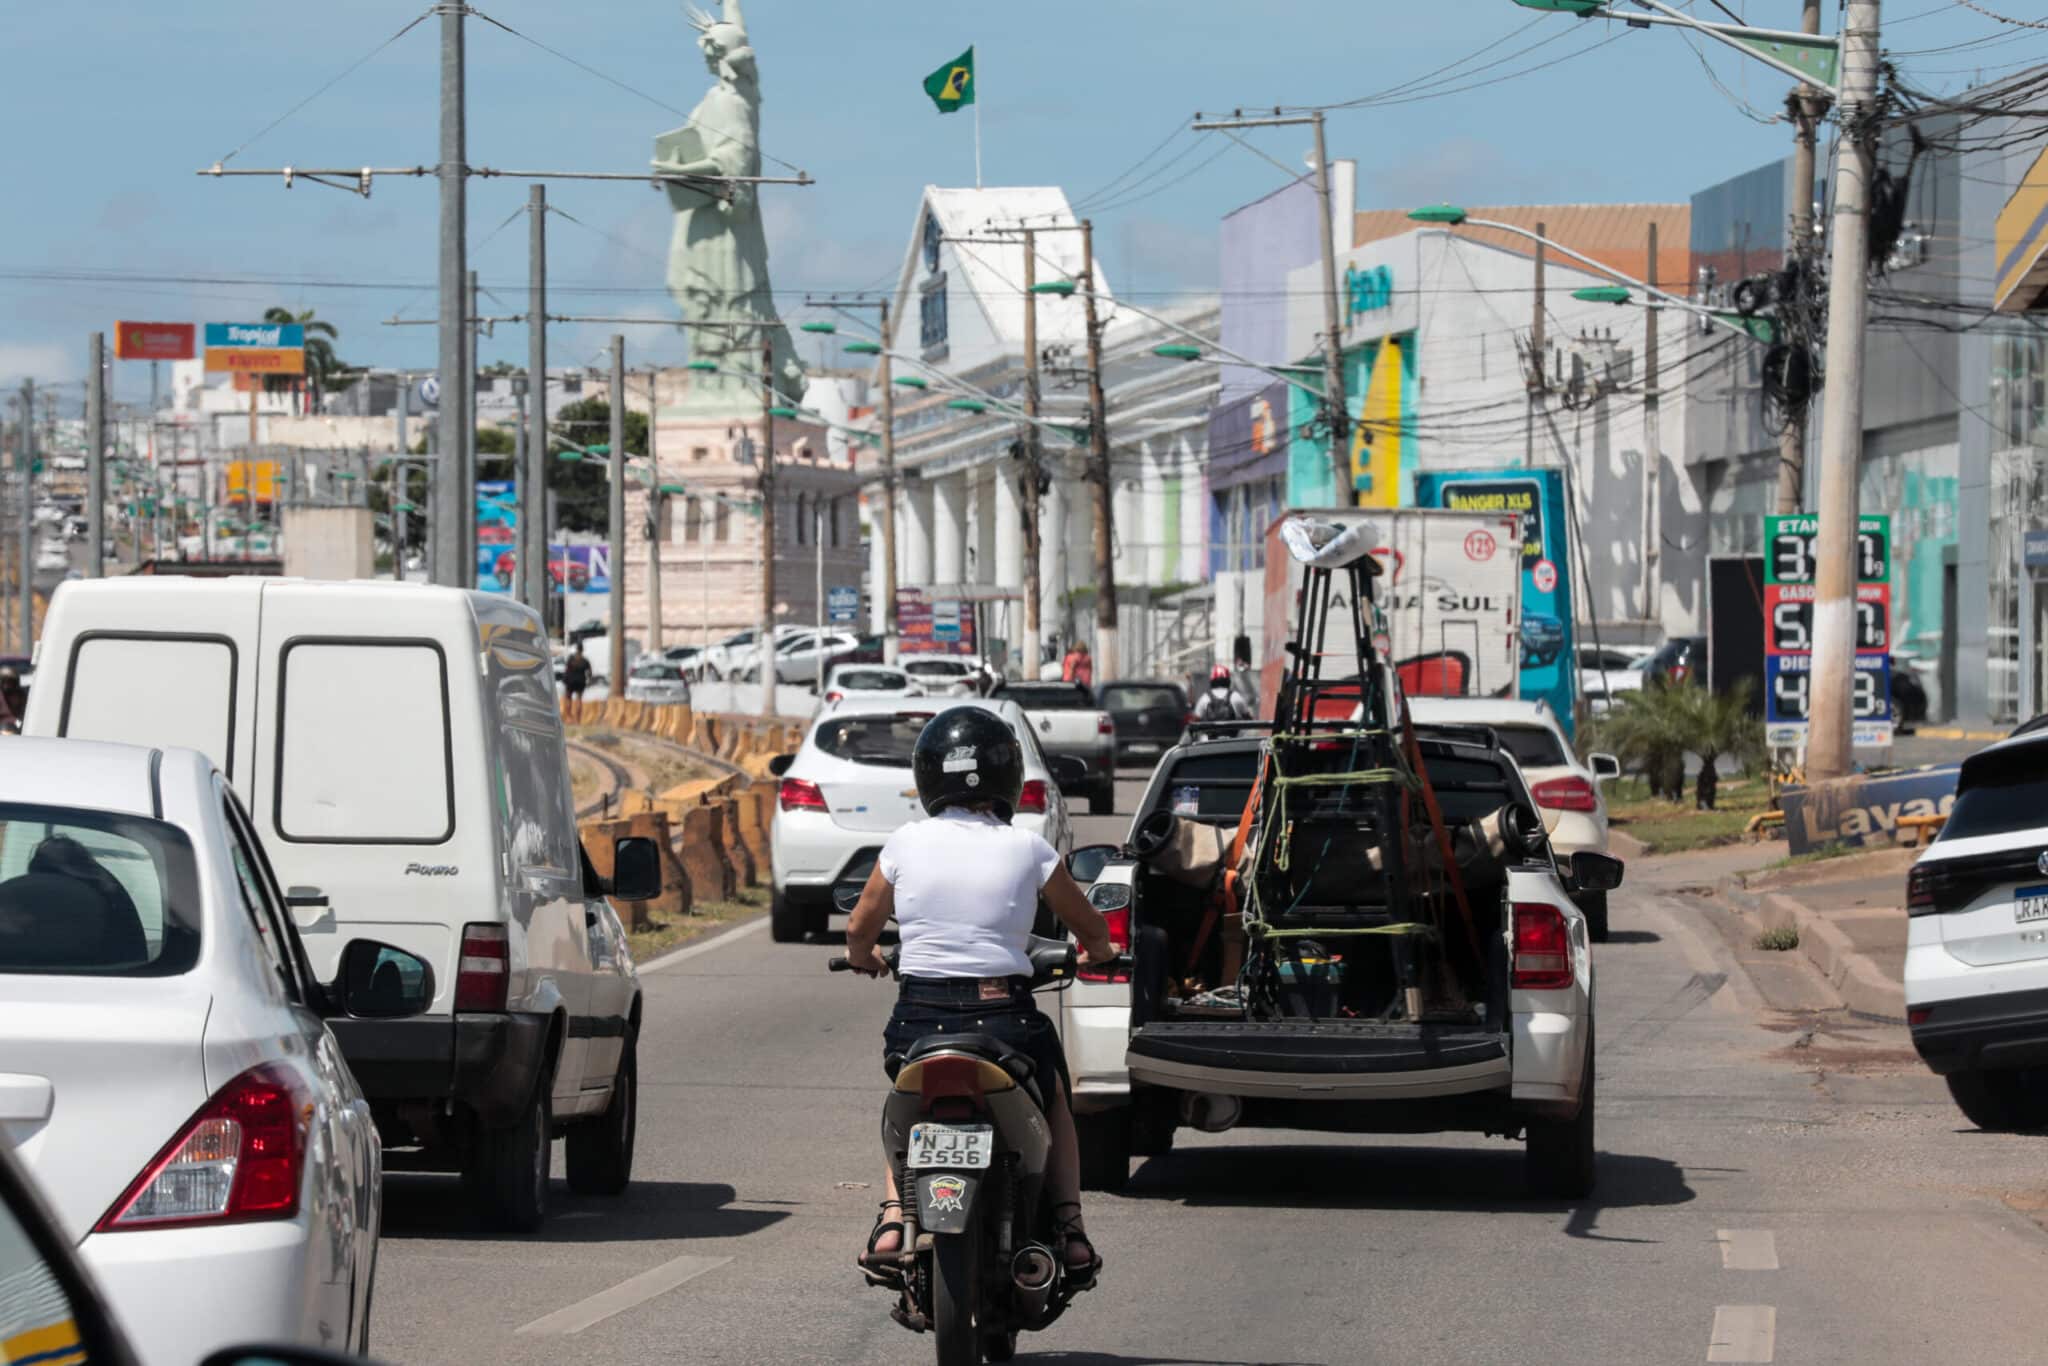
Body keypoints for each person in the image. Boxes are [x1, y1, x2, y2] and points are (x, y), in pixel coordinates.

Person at [845, 706, 1117, 1285]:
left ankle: (894, 1217)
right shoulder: (1029, 849)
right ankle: (1069, 1228)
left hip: (920, 1019)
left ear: (927, 777)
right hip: (1006, 1020)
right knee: (1056, 1103)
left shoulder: (904, 843)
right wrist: (1098, 952)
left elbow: (859, 930)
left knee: (905, 1107)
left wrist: (863, 958)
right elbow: (1091, 928)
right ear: (1008, 777)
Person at [1192, 663, 1254, 729]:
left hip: (1211, 738)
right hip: (1234, 738)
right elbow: (1248, 719)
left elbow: (1195, 721)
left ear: (1212, 681)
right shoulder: (1236, 696)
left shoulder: (1205, 698)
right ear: (1228, 681)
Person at [562, 647, 592, 722]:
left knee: (568, 698)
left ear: (576, 650)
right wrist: (588, 681)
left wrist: (565, 679)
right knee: (579, 700)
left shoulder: (571, 659)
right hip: (580, 682)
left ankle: (568, 717)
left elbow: (567, 670)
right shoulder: (585, 661)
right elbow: (589, 673)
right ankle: (577, 719)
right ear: (582, 651)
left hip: (570, 681)